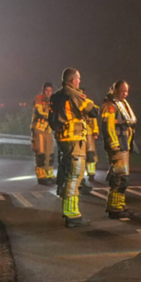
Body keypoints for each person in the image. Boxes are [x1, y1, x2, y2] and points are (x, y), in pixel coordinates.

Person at [49, 68, 101, 228]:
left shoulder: (56, 96)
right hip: (75, 141)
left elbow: (51, 120)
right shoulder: (73, 94)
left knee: (66, 174)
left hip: (63, 140)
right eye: (78, 79)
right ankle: (72, 214)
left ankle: (68, 210)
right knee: (75, 175)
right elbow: (94, 111)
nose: (79, 82)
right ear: (72, 80)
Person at [100, 80, 137, 219]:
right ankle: (114, 208)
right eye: (122, 91)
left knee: (122, 178)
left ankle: (118, 205)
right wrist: (114, 146)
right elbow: (108, 128)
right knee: (120, 178)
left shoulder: (121, 104)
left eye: (126, 91)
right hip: (117, 146)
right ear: (115, 90)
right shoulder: (110, 106)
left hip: (124, 145)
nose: (125, 94)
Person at [30, 82, 56, 185]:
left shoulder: (53, 101)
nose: (48, 93)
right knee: (41, 154)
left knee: (50, 154)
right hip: (39, 129)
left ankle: (49, 175)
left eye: (50, 91)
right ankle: (41, 176)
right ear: (43, 91)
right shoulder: (38, 99)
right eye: (47, 91)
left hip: (48, 130)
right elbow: (41, 112)